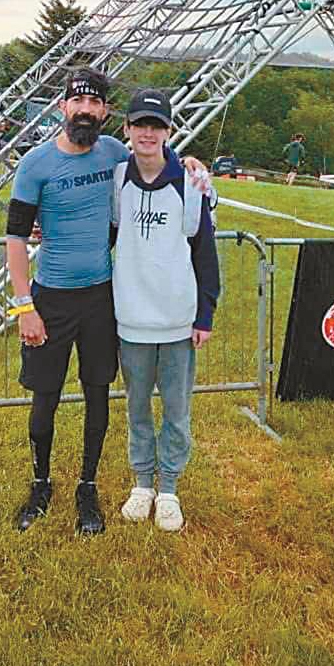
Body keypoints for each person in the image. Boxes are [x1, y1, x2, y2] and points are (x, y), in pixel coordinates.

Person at [5, 67, 210, 536]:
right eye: (77, 101)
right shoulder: (35, 164)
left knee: (97, 393)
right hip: (50, 298)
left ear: (105, 112)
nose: (85, 110)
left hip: (101, 297)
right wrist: (24, 306)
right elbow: (15, 237)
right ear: (62, 107)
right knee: (45, 397)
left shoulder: (116, 154)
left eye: (94, 103)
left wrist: (190, 162)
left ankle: (88, 487)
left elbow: (157, 156)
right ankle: (40, 485)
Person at [112, 89, 219, 532]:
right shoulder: (117, 177)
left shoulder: (191, 183)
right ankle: (143, 484)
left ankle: (169, 488)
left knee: (176, 411)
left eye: (156, 126)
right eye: (140, 124)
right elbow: (105, 236)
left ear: (169, 132)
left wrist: (205, 314)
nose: (147, 133)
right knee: (137, 408)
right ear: (127, 129)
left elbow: (205, 253)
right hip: (131, 321)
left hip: (177, 322)